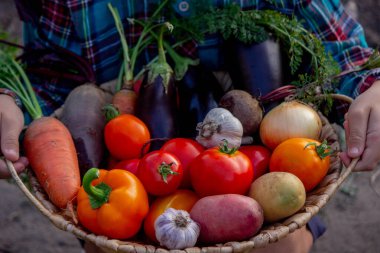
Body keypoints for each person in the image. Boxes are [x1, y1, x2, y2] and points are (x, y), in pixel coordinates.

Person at [1, 0, 380, 253]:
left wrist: (373, 88)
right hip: (119, 223)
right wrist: (10, 102)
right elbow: (49, 80)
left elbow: (348, 59)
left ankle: (301, 233)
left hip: (268, 202)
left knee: (281, 240)